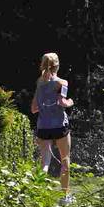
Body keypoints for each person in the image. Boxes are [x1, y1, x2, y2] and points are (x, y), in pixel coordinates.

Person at [32, 51, 74, 197]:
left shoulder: (39, 82)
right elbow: (62, 102)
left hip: (43, 127)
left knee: (45, 163)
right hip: (59, 126)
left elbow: (33, 108)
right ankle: (65, 196)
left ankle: (37, 195)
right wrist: (70, 102)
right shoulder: (62, 83)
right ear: (57, 66)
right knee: (65, 160)